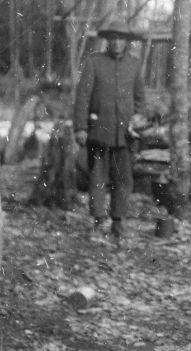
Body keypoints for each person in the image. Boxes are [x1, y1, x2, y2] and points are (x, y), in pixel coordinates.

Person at [73, 19, 146, 240]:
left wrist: (138, 121)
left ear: (127, 42)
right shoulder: (94, 62)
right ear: (107, 41)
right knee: (97, 179)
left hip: (125, 135)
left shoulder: (134, 65)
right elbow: (82, 97)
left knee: (123, 181)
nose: (116, 43)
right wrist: (80, 127)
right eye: (113, 38)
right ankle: (97, 221)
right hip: (99, 134)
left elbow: (140, 100)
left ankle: (118, 223)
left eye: (121, 39)